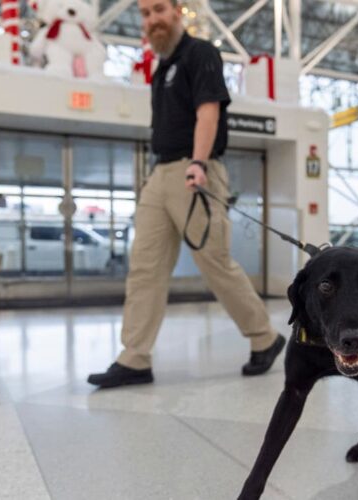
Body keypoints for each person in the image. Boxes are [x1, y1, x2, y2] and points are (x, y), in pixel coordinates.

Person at [88, 0, 285, 388]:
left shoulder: (201, 53)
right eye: (145, 14)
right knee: (144, 267)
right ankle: (135, 357)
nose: (152, 20)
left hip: (194, 170)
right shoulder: (161, 68)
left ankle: (265, 337)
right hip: (159, 174)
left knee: (215, 262)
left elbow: (208, 112)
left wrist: (199, 162)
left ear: (177, 11)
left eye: (159, 10)